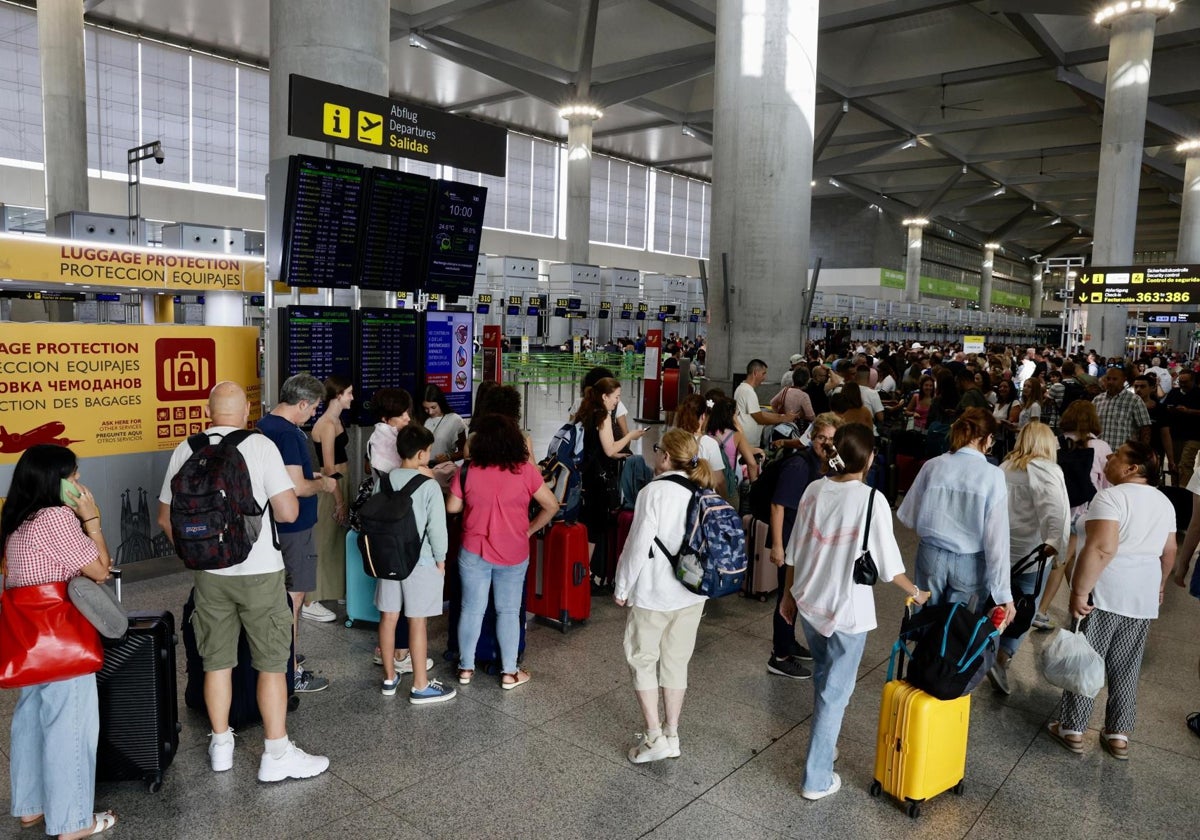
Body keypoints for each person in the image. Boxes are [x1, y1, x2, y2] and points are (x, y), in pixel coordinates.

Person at [158, 382, 329, 781]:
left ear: (207, 410)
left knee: (216, 661)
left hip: (209, 577)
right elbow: (287, 513)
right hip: (260, 572)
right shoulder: (259, 446)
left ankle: (221, 745)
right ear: (248, 410)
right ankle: (276, 752)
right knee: (271, 662)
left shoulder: (186, 448)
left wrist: (199, 555)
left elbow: (166, 519)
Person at [778, 424, 929, 800]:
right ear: (871, 458)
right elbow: (890, 566)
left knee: (825, 680)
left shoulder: (814, 488)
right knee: (836, 691)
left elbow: (795, 548)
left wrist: (787, 596)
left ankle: (826, 748)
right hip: (846, 611)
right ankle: (816, 777)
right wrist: (917, 592)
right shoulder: (871, 500)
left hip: (810, 602)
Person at [3, 445, 119, 838]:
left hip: (32, 640)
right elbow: (100, 570)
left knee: (31, 718)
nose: (80, 484)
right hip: (63, 641)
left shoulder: (19, 518)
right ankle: (73, 822)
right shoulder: (55, 518)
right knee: (69, 723)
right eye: (73, 478)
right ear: (55, 482)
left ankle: (32, 806)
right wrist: (92, 520)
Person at [1046, 442, 1176, 760]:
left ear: (1133, 468)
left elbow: (1102, 548)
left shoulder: (1111, 497)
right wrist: (1159, 585)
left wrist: (1078, 591)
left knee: (1086, 658)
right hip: (1141, 595)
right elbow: (1169, 550)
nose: (1108, 458)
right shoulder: (1164, 502)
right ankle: (1118, 733)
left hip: (1105, 593)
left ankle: (1073, 727)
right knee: (1127, 665)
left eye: (1117, 455)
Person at [612, 430, 713, 764]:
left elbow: (637, 545)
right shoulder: (703, 490)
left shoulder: (652, 492)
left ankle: (654, 736)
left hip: (654, 593)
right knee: (675, 662)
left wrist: (622, 586)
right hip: (692, 593)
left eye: (658, 451)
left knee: (642, 659)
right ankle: (672, 733)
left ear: (666, 456)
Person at [446, 414, 559, 689]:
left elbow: (452, 508)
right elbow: (552, 505)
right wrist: (530, 530)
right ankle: (509, 672)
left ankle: (465, 668)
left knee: (471, 609)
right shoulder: (525, 470)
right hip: (514, 550)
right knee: (508, 611)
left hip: (474, 550)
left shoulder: (468, 470)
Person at [256, 373, 338, 693]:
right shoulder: (290, 435)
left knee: (278, 597)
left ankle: (282, 656)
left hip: (272, 527)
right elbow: (297, 487)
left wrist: (307, 474)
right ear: (302, 403)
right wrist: (323, 483)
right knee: (294, 598)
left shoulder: (264, 426)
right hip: (295, 527)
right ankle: (289, 671)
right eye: (314, 407)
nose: (314, 414)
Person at [897, 408, 1015, 621]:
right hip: (970, 562)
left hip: (930, 555)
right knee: (959, 629)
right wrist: (1003, 593)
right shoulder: (993, 476)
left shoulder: (932, 466)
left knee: (925, 623)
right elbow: (997, 541)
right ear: (986, 438)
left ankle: (925, 654)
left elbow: (907, 516)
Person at [986, 423, 1070, 695]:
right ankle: (1003, 657)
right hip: (1031, 553)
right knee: (1025, 608)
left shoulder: (1004, 467)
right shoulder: (1046, 470)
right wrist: (1056, 545)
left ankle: (983, 649)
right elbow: (1056, 513)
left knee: (996, 601)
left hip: (998, 551)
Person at [376, 425, 455, 704]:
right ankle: (420, 685)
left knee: (388, 617)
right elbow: (437, 529)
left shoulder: (384, 481)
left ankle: (388, 678)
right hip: (419, 561)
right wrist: (441, 559)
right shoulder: (429, 485)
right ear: (422, 453)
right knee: (417, 622)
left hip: (387, 559)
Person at [766, 413, 848, 679]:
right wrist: (778, 546)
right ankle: (779, 655)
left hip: (805, 542)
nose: (825, 443)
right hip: (791, 542)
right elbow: (778, 505)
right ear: (812, 438)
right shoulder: (800, 466)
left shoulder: (828, 465)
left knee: (796, 595)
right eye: (821, 437)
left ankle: (788, 643)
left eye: (831, 439)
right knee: (787, 596)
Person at [363, 387, 429, 674]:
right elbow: (405, 473)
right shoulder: (386, 442)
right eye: (400, 415)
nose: (406, 418)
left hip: (386, 520)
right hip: (399, 522)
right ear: (386, 417)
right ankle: (401, 653)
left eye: (407, 413)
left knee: (390, 598)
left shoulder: (380, 436)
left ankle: (388, 654)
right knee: (402, 591)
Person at [1034, 400, 1113, 630]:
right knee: (1063, 560)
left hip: (1055, 509)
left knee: (1067, 559)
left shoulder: (1055, 443)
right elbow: (1106, 486)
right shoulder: (1101, 447)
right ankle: (1042, 610)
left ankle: (1081, 603)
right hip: (1084, 513)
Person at [573, 377, 647, 564]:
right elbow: (610, 448)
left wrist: (617, 456)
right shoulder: (603, 416)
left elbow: (597, 447)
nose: (618, 401)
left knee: (586, 523)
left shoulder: (588, 411)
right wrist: (631, 435)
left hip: (586, 474)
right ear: (605, 396)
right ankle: (584, 572)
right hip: (598, 481)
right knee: (595, 527)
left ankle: (581, 569)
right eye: (616, 396)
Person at [310, 374, 352, 607]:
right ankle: (311, 599)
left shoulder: (337, 420)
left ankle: (334, 589)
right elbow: (327, 468)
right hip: (331, 486)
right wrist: (339, 501)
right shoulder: (326, 425)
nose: (352, 398)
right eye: (349, 393)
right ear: (338, 395)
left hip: (342, 481)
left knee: (337, 540)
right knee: (324, 541)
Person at [736, 359, 798, 449]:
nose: (764, 377)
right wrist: (783, 419)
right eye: (763, 373)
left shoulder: (743, 389)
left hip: (746, 440)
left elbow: (759, 413)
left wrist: (782, 416)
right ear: (755, 373)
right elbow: (760, 418)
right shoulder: (747, 391)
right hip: (747, 442)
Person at [673, 394, 726, 495]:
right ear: (703, 416)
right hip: (700, 499)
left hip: (676, 493)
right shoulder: (709, 444)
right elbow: (719, 481)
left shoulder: (672, 439)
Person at [1093, 367, 1151, 451]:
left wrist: (1142, 452)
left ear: (1124, 380)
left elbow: (1145, 428)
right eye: (1108, 378)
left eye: (1115, 379)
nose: (1110, 382)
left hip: (1123, 455)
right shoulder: (1097, 400)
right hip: (1100, 454)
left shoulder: (1134, 401)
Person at [419, 384, 467, 467]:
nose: (430, 412)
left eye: (433, 407)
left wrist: (448, 457)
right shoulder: (419, 418)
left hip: (443, 469)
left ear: (441, 403)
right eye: (426, 408)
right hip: (421, 468)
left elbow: (463, 451)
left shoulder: (455, 420)